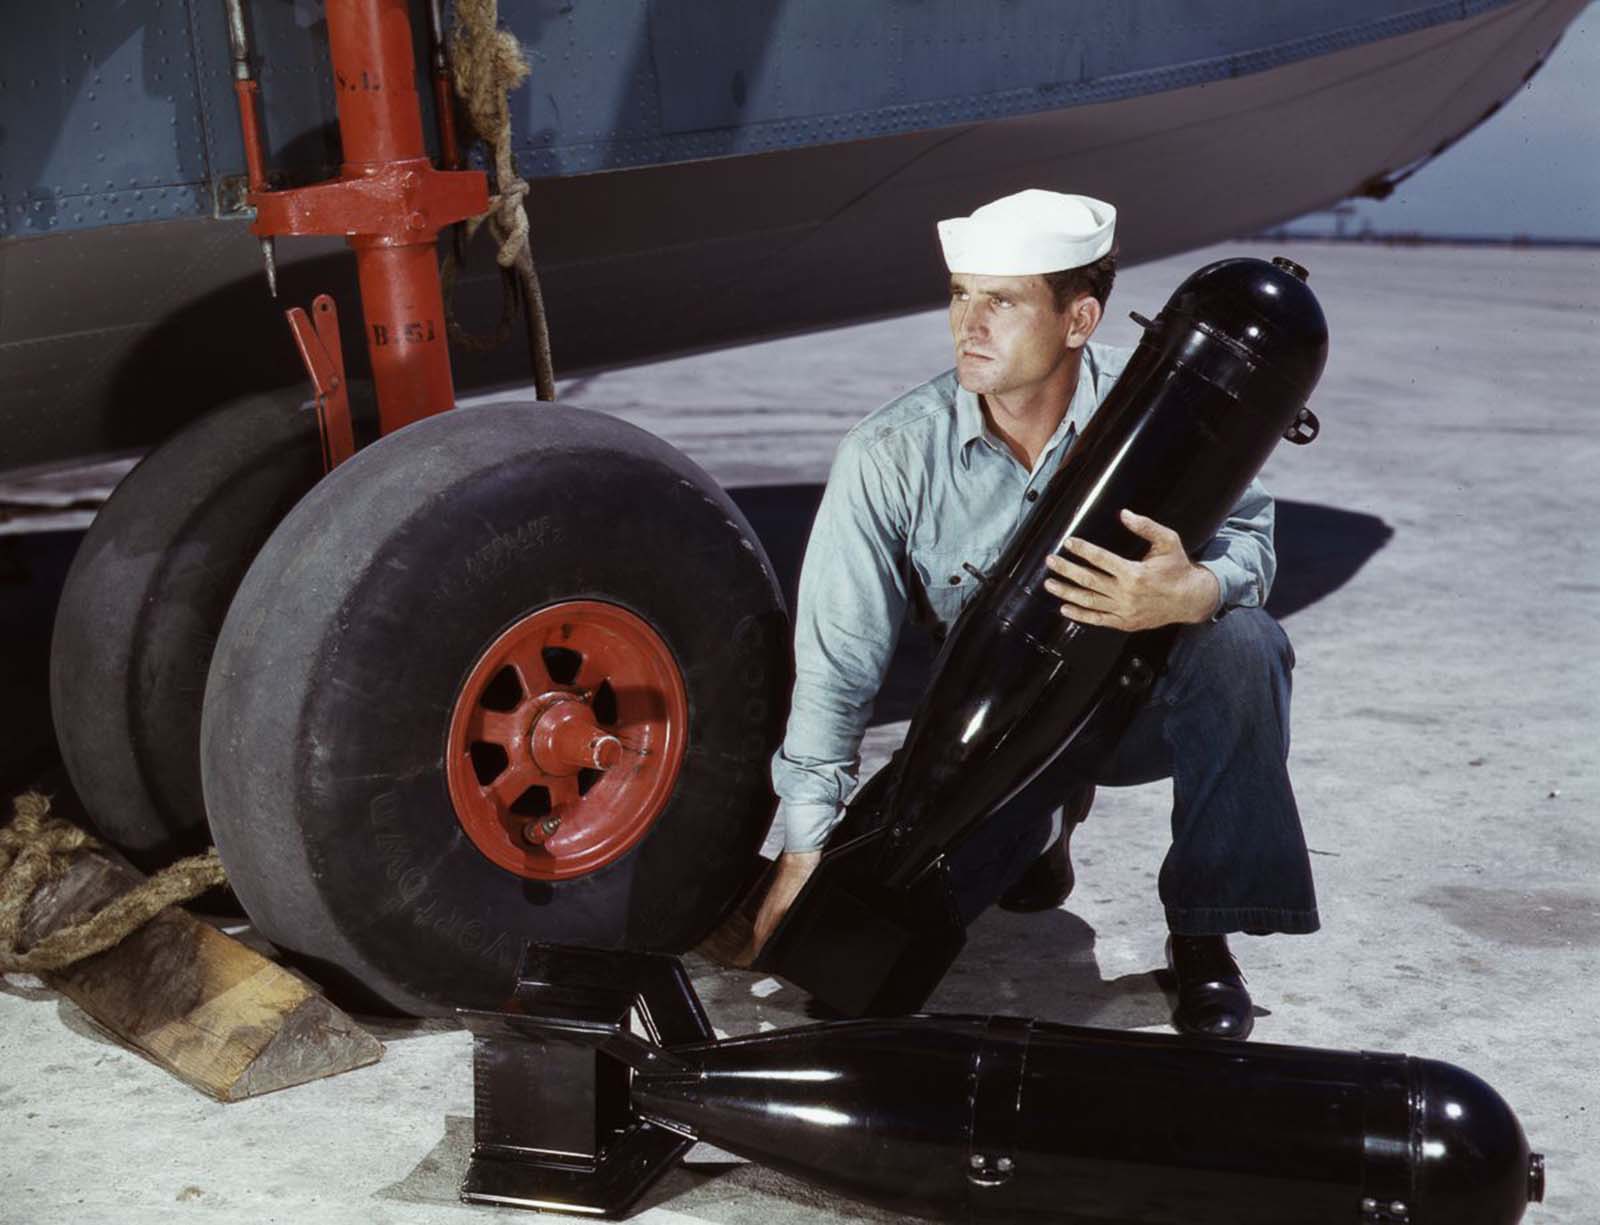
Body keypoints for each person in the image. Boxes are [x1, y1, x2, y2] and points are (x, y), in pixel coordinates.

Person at [747, 189, 1319, 1039]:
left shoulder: (1167, 406)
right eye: (959, 295)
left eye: (1002, 301)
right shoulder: (891, 455)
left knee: (1242, 642)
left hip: (1137, 698)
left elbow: (1253, 546)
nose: (967, 324)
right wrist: (804, 849)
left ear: (1079, 317)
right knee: (853, 982)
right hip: (1001, 727)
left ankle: (1203, 937)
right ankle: (1043, 829)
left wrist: (1189, 591)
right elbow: (837, 661)